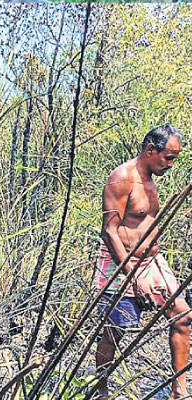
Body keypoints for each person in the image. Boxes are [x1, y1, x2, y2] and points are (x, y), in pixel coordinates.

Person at [95, 123, 192, 399]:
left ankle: (179, 391)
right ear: (150, 150)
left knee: (183, 316)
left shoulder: (149, 178)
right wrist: (132, 275)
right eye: (168, 158)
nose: (170, 165)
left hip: (152, 262)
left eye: (174, 159)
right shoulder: (122, 177)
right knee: (115, 330)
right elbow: (109, 232)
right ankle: (100, 388)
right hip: (121, 263)